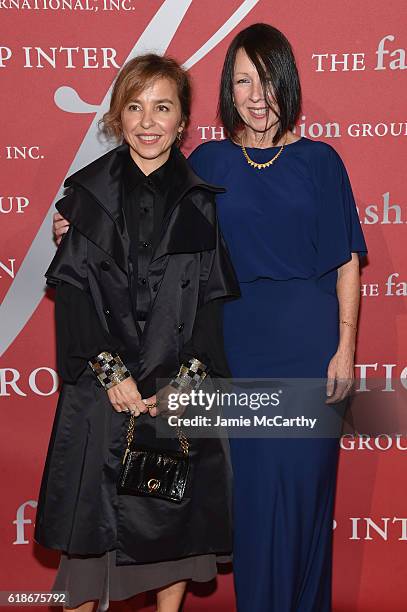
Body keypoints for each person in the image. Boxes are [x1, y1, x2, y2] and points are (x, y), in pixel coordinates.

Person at [53, 24, 368, 612]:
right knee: (244, 498)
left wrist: (345, 348)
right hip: (229, 343)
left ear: (288, 83)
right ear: (228, 90)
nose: (257, 94)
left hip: (307, 346)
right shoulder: (210, 160)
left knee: (304, 495)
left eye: (268, 78)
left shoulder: (322, 161)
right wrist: (74, 225)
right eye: (243, 80)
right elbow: (138, 203)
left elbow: (347, 259)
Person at [35, 53, 240, 612]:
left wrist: (183, 382)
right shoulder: (87, 196)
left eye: (162, 107)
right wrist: (112, 374)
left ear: (182, 122)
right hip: (105, 393)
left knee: (174, 534)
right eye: (135, 107)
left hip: (172, 394)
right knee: (89, 537)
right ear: (117, 117)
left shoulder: (203, 204)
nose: (148, 122)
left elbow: (210, 304)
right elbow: (73, 297)